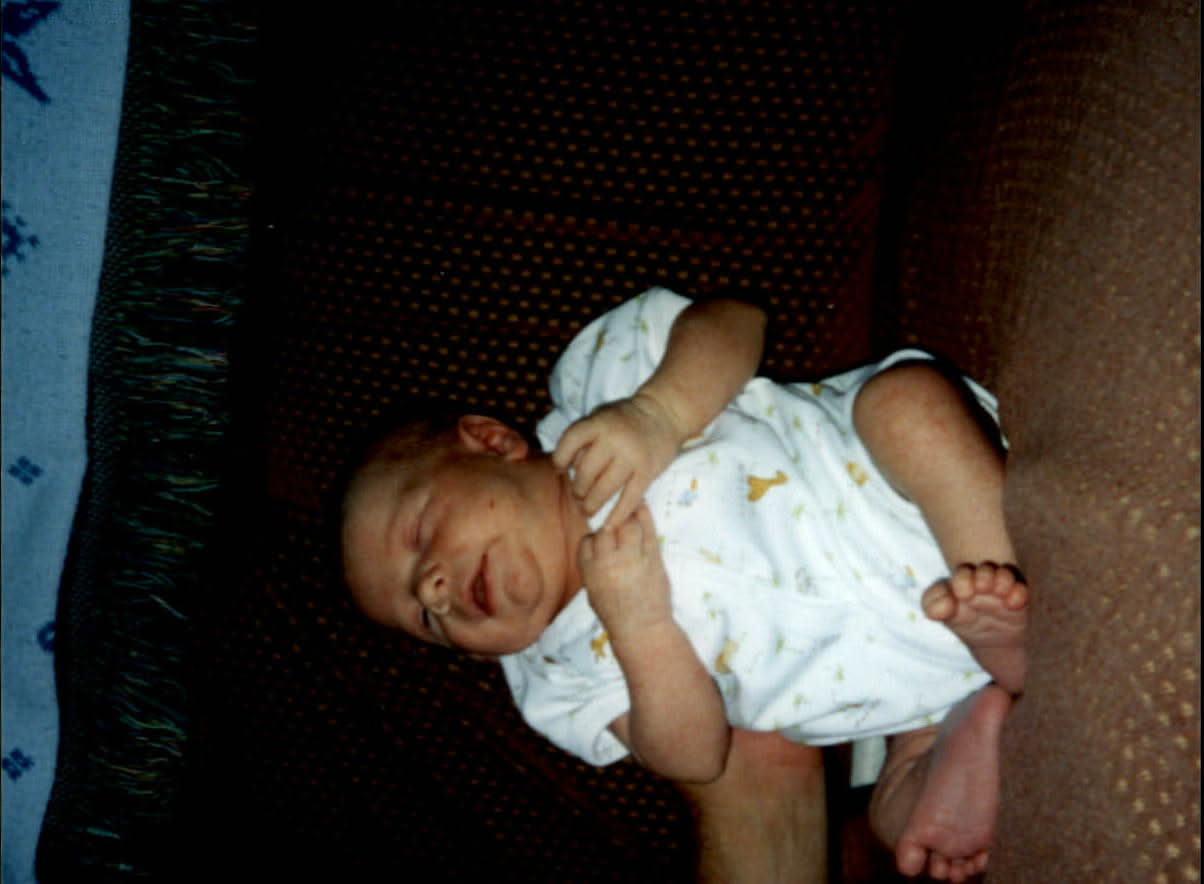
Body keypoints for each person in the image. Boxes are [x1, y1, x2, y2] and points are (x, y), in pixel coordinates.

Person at [340, 288, 1027, 882]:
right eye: (424, 621)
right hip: (899, 697)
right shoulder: (556, 677)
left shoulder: (598, 396)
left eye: (420, 533)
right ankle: (970, 717)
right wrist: (639, 628)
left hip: (896, 497)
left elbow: (737, 321)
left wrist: (658, 414)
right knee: (895, 806)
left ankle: (1006, 607)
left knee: (907, 405)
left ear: (492, 441)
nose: (433, 591)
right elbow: (697, 757)